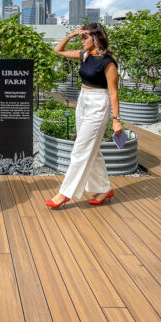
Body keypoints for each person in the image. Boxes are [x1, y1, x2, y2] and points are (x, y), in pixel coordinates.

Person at [45, 22, 122, 208]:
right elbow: (58, 50)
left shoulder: (108, 62)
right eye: (81, 38)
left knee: (80, 149)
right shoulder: (85, 55)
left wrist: (116, 120)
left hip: (98, 104)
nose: (82, 41)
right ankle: (105, 189)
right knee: (91, 150)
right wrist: (72, 34)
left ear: (96, 38)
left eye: (85, 37)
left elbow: (113, 92)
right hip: (83, 101)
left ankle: (64, 193)